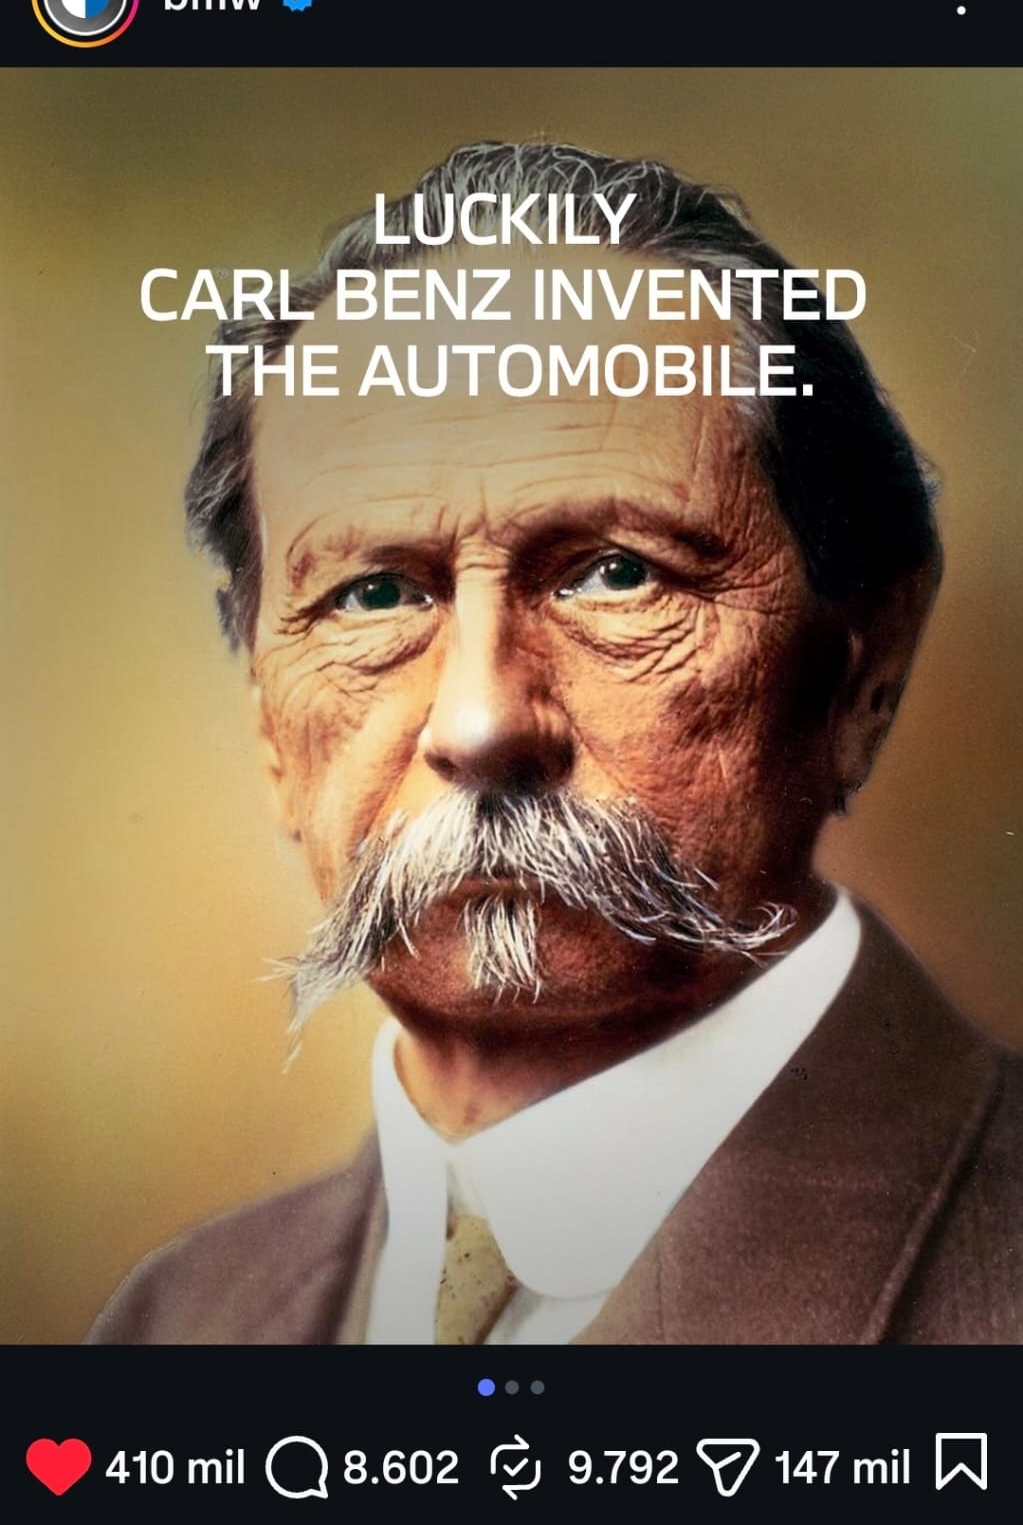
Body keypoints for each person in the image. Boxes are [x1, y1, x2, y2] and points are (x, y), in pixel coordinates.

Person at [87, 142, 1021, 1346]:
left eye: (618, 574)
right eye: (376, 595)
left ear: (864, 669)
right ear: (269, 717)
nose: (480, 724)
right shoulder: (173, 1323)